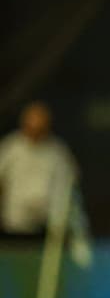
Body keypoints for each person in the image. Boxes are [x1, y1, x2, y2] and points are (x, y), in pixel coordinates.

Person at [0, 102, 82, 243]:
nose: (35, 132)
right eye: (31, 127)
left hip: (47, 226)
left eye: (40, 128)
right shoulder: (11, 147)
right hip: (15, 224)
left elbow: (71, 183)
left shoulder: (58, 150)